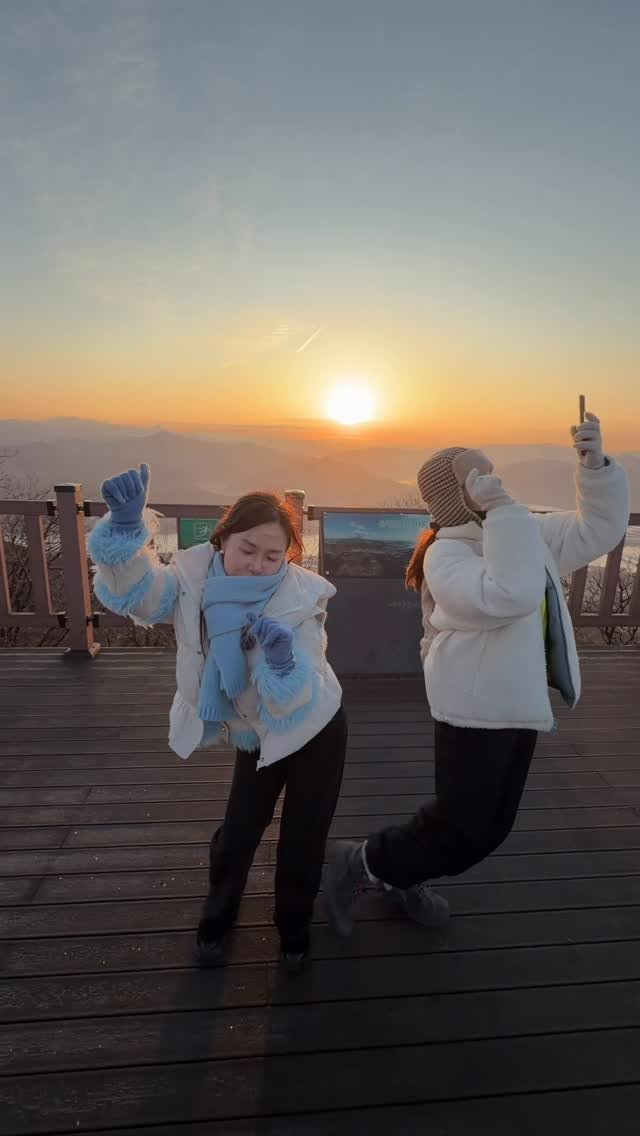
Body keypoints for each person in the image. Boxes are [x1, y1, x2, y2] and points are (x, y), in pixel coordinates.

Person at [326, 412, 629, 935]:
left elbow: (596, 530)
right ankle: (366, 862)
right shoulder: (448, 554)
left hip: (518, 706)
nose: (496, 485)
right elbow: (506, 595)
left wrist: (595, 467)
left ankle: (401, 871)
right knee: (460, 825)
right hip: (472, 710)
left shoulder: (516, 530)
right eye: (480, 478)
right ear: (457, 494)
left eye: (495, 475)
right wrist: (506, 513)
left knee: (491, 828)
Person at [87, 468, 347, 972]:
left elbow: (295, 698)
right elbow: (133, 597)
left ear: (288, 557)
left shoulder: (299, 598)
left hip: (312, 726)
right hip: (253, 731)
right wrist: (123, 532)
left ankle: (293, 925)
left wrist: (281, 662)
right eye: (248, 549)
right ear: (223, 536)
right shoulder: (191, 580)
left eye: (273, 556)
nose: (258, 565)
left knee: (303, 835)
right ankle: (218, 912)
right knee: (241, 828)